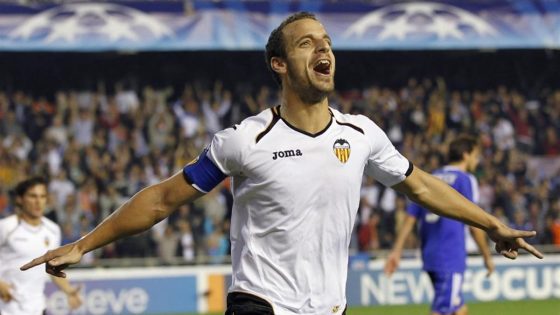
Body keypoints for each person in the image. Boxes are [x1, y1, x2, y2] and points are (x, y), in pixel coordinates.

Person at [21, 12, 542, 315]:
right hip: (260, 305)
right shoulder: (244, 140)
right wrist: (83, 244)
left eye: (329, 43)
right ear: (279, 63)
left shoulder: (361, 134)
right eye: (308, 44)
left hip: (327, 307)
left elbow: (422, 186)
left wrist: (493, 224)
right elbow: (161, 199)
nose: (325, 51)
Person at [384, 135, 495, 315]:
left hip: (430, 254)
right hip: (450, 255)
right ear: (466, 155)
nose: (477, 159)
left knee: (458, 308)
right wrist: (486, 255)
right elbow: (475, 222)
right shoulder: (464, 179)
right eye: (475, 155)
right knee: (443, 309)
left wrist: (396, 250)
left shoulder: (430, 178)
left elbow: (410, 218)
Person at [0, 177, 82, 315]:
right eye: (33, 196)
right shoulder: (6, 227)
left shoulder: (53, 230)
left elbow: (51, 268)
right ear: (20, 199)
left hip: (37, 308)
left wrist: (69, 291)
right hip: (6, 308)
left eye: (42, 196)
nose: (38, 201)